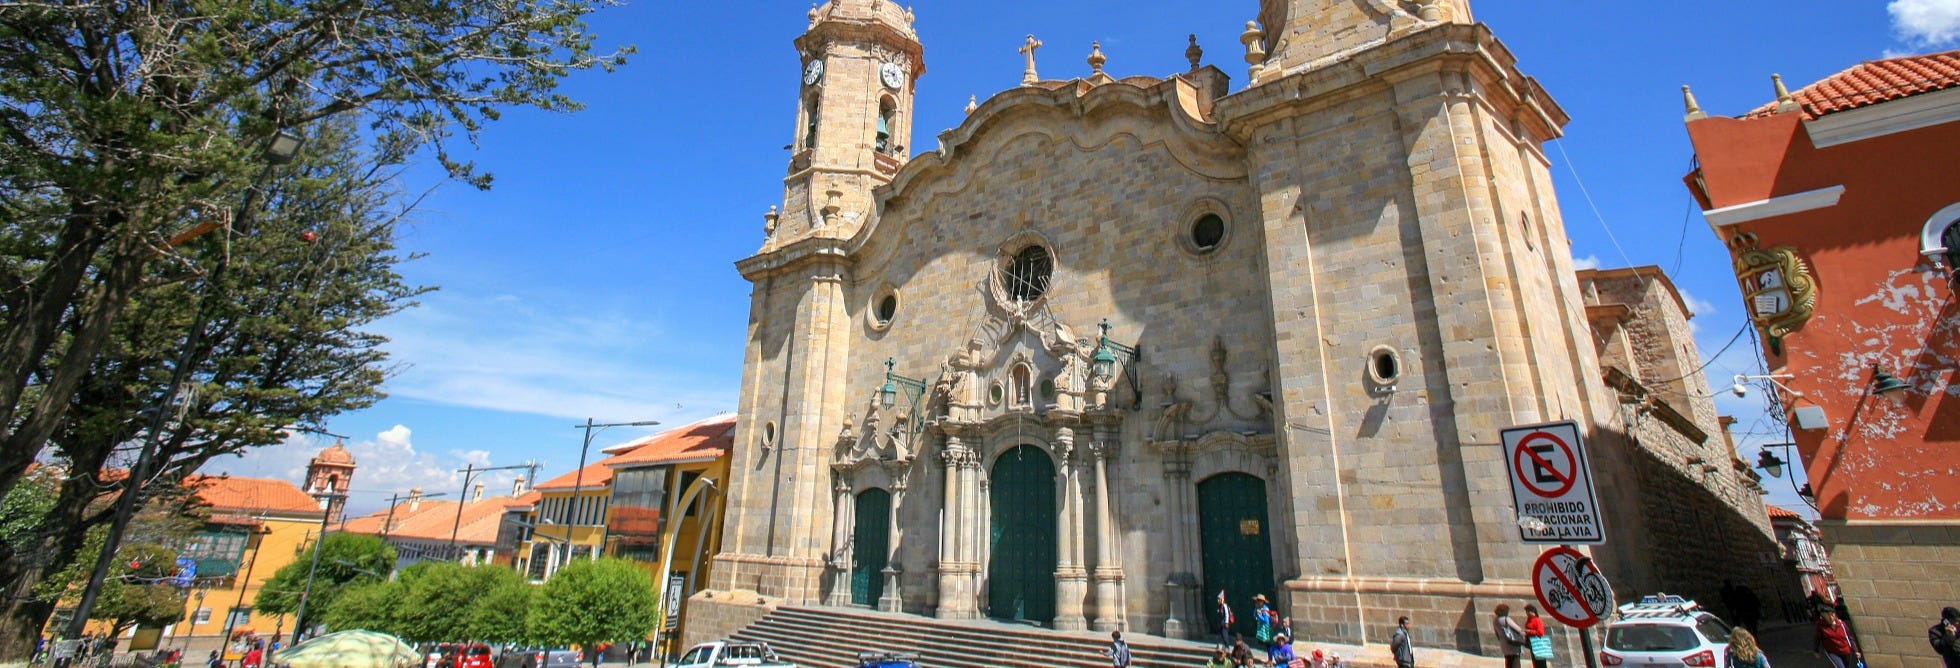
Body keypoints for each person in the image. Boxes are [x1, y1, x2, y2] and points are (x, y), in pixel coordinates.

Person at [1493, 603, 1527, 668]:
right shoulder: (1506, 619)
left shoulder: (1495, 620)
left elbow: (1496, 632)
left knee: (1508, 661)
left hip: (1503, 643)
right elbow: (1518, 629)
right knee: (1515, 661)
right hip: (1512, 642)